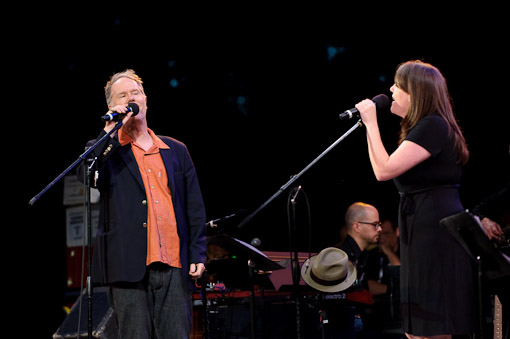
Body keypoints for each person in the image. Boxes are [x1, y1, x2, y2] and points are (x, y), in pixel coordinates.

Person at [77, 69, 207, 338]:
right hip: (126, 266)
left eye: (135, 93)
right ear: (113, 106)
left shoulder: (176, 150)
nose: (130, 98)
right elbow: (86, 176)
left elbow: (194, 207)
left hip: (173, 264)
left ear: (145, 99)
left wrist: (197, 253)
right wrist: (109, 133)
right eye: (122, 96)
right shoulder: (105, 149)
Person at [354, 60, 476, 339]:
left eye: (398, 85)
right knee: (419, 328)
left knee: (433, 326)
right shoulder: (425, 127)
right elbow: (381, 170)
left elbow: (384, 170)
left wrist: (371, 123)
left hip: (434, 231)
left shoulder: (433, 125)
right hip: (421, 227)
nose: (391, 90)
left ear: (416, 92)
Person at [337, 202, 382, 289]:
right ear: (357, 226)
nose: (380, 229)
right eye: (375, 224)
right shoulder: (339, 256)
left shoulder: (364, 255)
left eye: (379, 225)